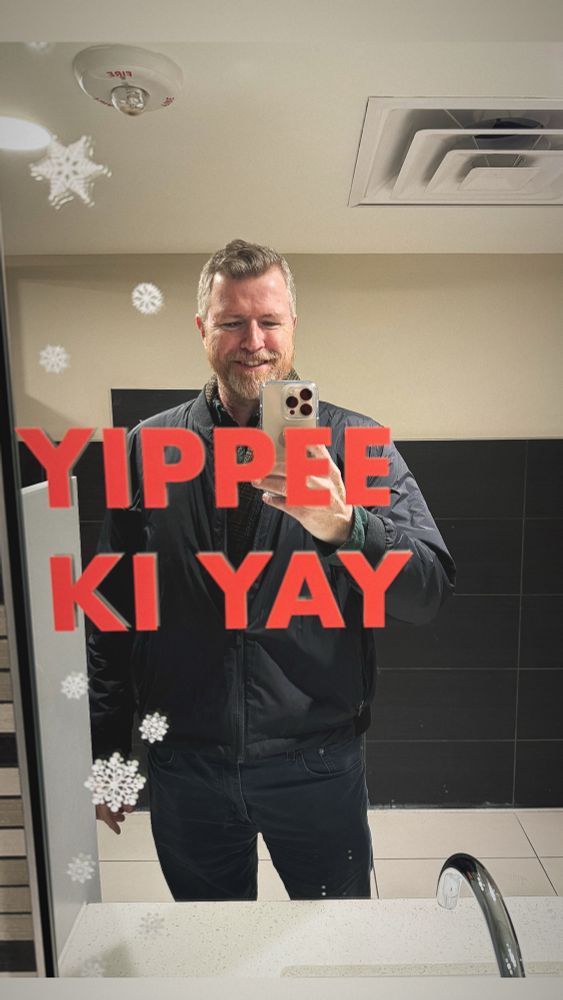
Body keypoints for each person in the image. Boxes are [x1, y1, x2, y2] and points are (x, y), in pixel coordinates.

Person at [87, 238, 456, 901]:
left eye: (269, 321)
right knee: (213, 943)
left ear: (292, 327)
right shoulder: (146, 447)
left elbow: (426, 591)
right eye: (232, 321)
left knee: (335, 941)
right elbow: (110, 613)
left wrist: (348, 526)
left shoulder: (353, 442)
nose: (252, 341)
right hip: (186, 765)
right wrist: (109, 755)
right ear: (203, 329)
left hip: (316, 764)